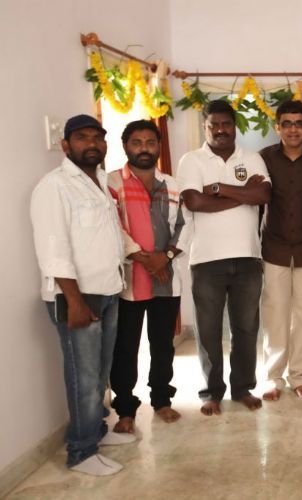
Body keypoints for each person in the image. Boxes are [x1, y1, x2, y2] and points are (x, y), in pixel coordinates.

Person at [30, 115, 136, 476]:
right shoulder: (55, 186)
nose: (91, 144)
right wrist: (74, 301)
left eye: (97, 137)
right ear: (65, 145)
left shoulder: (99, 182)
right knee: (84, 377)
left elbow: (108, 236)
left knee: (100, 373)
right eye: (82, 138)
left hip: (107, 289)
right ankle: (81, 451)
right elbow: (53, 249)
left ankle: (97, 431)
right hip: (77, 296)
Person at [177, 99, 271, 416]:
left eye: (226, 124)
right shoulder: (192, 160)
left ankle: (242, 388)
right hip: (206, 261)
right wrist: (242, 194)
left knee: (246, 329)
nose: (220, 130)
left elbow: (263, 195)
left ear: (235, 127)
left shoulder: (252, 158)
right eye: (213, 125)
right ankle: (211, 392)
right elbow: (193, 201)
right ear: (205, 127)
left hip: (248, 258)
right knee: (209, 330)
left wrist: (217, 188)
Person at [108, 120, 187, 433]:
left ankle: (162, 400)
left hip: (165, 278)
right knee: (125, 346)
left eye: (150, 142)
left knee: (163, 345)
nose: (144, 148)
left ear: (158, 147)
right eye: (137, 142)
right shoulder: (112, 182)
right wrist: (145, 258)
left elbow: (185, 226)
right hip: (130, 279)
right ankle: (125, 408)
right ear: (126, 146)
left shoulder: (173, 184)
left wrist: (164, 257)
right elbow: (113, 227)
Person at [259, 100, 302, 401]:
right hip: (274, 247)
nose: (293, 129)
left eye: (299, 123)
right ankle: (273, 378)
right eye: (287, 123)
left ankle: (299, 376)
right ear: (278, 127)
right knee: (275, 315)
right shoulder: (264, 158)